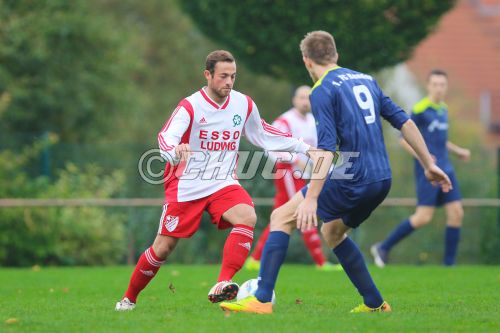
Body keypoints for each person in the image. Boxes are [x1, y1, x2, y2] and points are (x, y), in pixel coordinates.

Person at [220, 30, 451, 314]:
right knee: (332, 232)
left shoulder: (322, 90)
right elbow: (404, 122)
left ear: (307, 61)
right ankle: (375, 303)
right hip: (382, 178)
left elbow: (327, 150)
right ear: (336, 55)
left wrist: (312, 198)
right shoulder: (367, 79)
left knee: (281, 217)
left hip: (353, 177)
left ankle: (262, 299)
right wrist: (429, 164)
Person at [115, 50, 311, 311]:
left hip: (223, 182)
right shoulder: (190, 106)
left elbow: (263, 133)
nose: (229, 82)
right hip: (187, 183)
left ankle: (223, 283)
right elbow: (165, 137)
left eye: (233, 76)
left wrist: (304, 148)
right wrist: (175, 151)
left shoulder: (243, 104)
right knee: (163, 247)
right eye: (223, 76)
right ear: (207, 75)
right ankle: (128, 299)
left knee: (247, 216)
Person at [371, 69, 470, 267]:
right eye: (435, 84)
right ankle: (383, 247)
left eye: (442, 84)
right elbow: (403, 140)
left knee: (457, 213)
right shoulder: (420, 109)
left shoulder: (443, 109)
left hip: (447, 169)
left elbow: (439, 140)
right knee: (423, 217)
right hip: (429, 172)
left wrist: (457, 150)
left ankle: (449, 266)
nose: (439, 88)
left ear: (446, 87)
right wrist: (424, 159)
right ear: (428, 86)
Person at [245, 85, 341, 272]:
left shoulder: (315, 121)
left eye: (308, 98)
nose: (305, 101)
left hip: (304, 176)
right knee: (302, 211)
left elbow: (321, 151)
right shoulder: (284, 121)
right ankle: (321, 262)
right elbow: (269, 148)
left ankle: (255, 260)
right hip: (288, 173)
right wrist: (295, 160)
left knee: (280, 215)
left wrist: (330, 169)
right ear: (294, 100)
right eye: (302, 97)